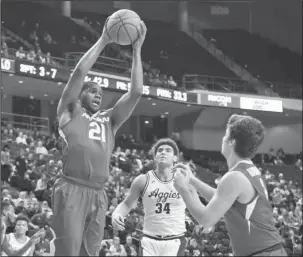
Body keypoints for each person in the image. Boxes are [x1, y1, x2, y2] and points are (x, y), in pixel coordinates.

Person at [52, 17, 147, 256]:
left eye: (101, 93)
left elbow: (136, 92)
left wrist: (137, 50)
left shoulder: (110, 120)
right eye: (92, 91)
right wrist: (104, 39)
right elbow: (79, 72)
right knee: (68, 252)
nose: (98, 95)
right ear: (80, 94)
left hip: (99, 193)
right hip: (71, 188)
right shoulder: (69, 111)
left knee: (90, 253)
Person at [173, 114, 287, 256]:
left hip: (261, 252)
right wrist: (192, 180)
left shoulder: (234, 177)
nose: (222, 139)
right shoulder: (248, 169)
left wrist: (183, 189)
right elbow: (221, 198)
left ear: (232, 141)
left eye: (225, 135)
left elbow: (206, 219)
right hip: (269, 250)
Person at [112, 138, 186, 256]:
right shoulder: (143, 180)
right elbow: (127, 203)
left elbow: (197, 204)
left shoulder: (183, 181)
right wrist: (117, 213)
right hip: (149, 239)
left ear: (175, 158)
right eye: (160, 150)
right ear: (154, 157)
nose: (163, 152)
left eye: (168, 150)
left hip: (175, 239)